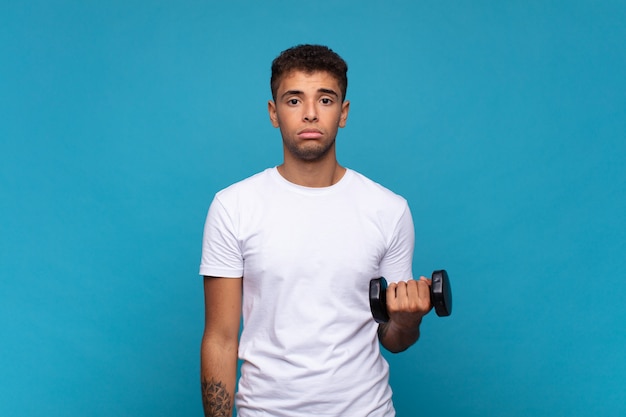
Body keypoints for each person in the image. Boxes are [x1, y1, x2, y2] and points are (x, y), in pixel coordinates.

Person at [199, 44, 433, 417]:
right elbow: (221, 338)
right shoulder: (233, 207)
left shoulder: (388, 210)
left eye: (325, 100)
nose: (310, 114)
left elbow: (394, 339)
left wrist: (408, 318)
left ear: (343, 112)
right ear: (274, 113)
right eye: (294, 101)